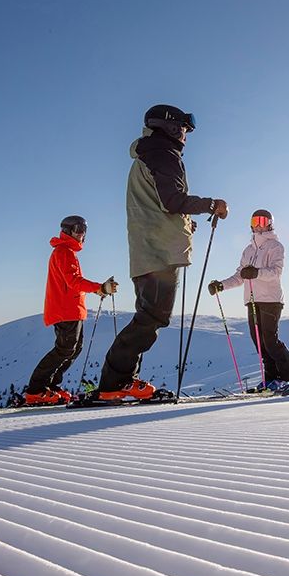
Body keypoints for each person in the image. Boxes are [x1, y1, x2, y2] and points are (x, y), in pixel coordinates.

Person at [90, 104, 228, 402]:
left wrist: (185, 224)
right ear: (166, 127)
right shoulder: (164, 154)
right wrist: (211, 204)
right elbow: (172, 201)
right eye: (181, 128)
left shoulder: (149, 154)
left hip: (148, 248)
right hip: (159, 252)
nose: (185, 135)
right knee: (153, 316)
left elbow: (158, 204)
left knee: (149, 315)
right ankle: (114, 383)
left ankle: (122, 381)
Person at [25, 215, 118, 405]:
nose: (82, 234)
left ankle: (49, 386)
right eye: (78, 229)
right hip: (65, 310)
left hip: (70, 309)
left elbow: (72, 283)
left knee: (73, 349)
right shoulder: (64, 252)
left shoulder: (67, 252)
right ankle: (36, 389)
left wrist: (98, 289)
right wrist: (99, 287)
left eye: (84, 230)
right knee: (65, 349)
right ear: (67, 231)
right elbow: (73, 281)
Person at [208, 209, 289, 395]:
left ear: (269, 223)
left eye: (262, 220)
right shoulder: (248, 250)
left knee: (270, 341)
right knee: (260, 343)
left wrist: (256, 273)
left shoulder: (275, 246)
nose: (258, 224)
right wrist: (221, 286)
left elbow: (276, 272)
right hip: (251, 300)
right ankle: (272, 379)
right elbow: (239, 276)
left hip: (270, 300)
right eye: (255, 220)